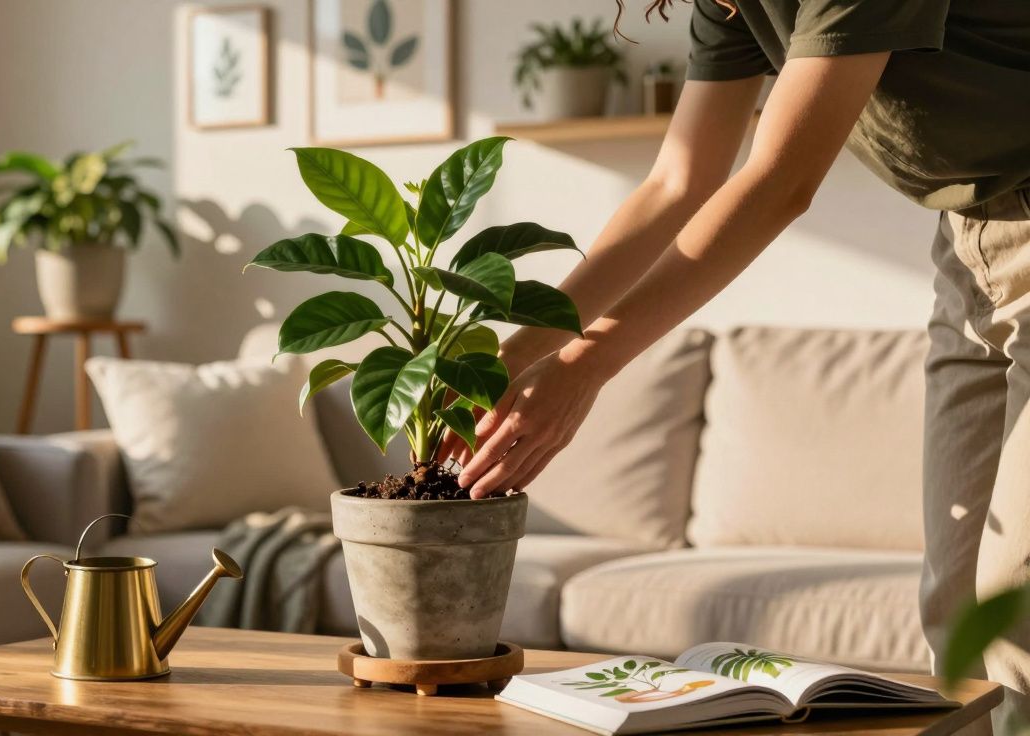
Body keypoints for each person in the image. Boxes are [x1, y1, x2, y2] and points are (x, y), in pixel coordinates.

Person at [440, 0, 1030, 724]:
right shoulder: (731, 5)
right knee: (955, 604)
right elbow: (678, 181)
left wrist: (585, 368)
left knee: (1014, 600)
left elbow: (781, 181)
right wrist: (514, 351)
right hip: (969, 247)